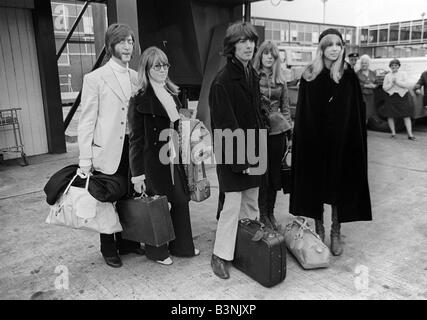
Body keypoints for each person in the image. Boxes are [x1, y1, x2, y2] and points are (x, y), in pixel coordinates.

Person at [289, 28, 372, 256]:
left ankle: (336, 231)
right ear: (322, 48)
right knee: (315, 187)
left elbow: (355, 112)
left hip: (341, 143)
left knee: (338, 187)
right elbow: (304, 113)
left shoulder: (348, 76)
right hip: (315, 143)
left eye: (338, 44)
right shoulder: (310, 74)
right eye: (330, 44)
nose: (335, 48)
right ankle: (319, 230)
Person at [78, 23, 145, 268]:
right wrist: (85, 159)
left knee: (129, 193)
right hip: (106, 149)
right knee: (106, 198)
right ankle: (108, 247)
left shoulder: (137, 77)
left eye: (130, 41)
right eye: (122, 42)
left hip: (132, 147)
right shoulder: (95, 78)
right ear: (110, 46)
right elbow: (86, 121)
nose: (128, 46)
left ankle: (127, 242)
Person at [128, 46, 199, 266]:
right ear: (146, 69)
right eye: (157, 65)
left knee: (180, 199)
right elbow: (135, 141)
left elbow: (179, 125)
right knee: (157, 205)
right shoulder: (139, 99)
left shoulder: (172, 94)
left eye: (165, 64)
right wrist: (137, 175)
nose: (162, 69)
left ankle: (182, 246)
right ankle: (157, 252)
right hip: (152, 162)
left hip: (172, 158)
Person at [209, 21, 266, 279]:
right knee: (232, 205)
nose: (248, 46)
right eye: (242, 42)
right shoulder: (222, 81)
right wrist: (239, 160)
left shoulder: (251, 74)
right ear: (231, 47)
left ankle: (246, 249)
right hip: (234, 154)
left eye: (251, 41)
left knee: (252, 201)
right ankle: (220, 255)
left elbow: (256, 113)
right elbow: (224, 125)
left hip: (255, 149)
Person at [253, 40, 292, 229]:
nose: (269, 56)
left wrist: (288, 133)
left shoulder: (281, 79)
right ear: (260, 55)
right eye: (266, 53)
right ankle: (261, 214)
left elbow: (286, 109)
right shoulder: (252, 76)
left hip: (278, 133)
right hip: (259, 131)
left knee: (275, 175)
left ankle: (270, 213)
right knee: (262, 175)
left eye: (273, 54)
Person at [382, 59, 416, 140]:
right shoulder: (387, 76)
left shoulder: (403, 74)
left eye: (396, 65)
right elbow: (384, 88)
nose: (394, 67)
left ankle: (410, 135)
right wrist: (391, 83)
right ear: (390, 67)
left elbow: (406, 85)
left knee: (406, 115)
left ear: (398, 66)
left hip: (402, 97)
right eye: (392, 65)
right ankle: (393, 133)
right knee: (390, 115)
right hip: (391, 97)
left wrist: (397, 82)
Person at [356, 54, 377, 124]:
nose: (363, 64)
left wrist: (374, 86)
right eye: (362, 63)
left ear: (368, 64)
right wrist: (365, 85)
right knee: (362, 113)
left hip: (370, 96)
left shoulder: (372, 73)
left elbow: (376, 83)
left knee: (368, 114)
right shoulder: (357, 73)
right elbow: (354, 85)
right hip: (361, 96)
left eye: (365, 63)